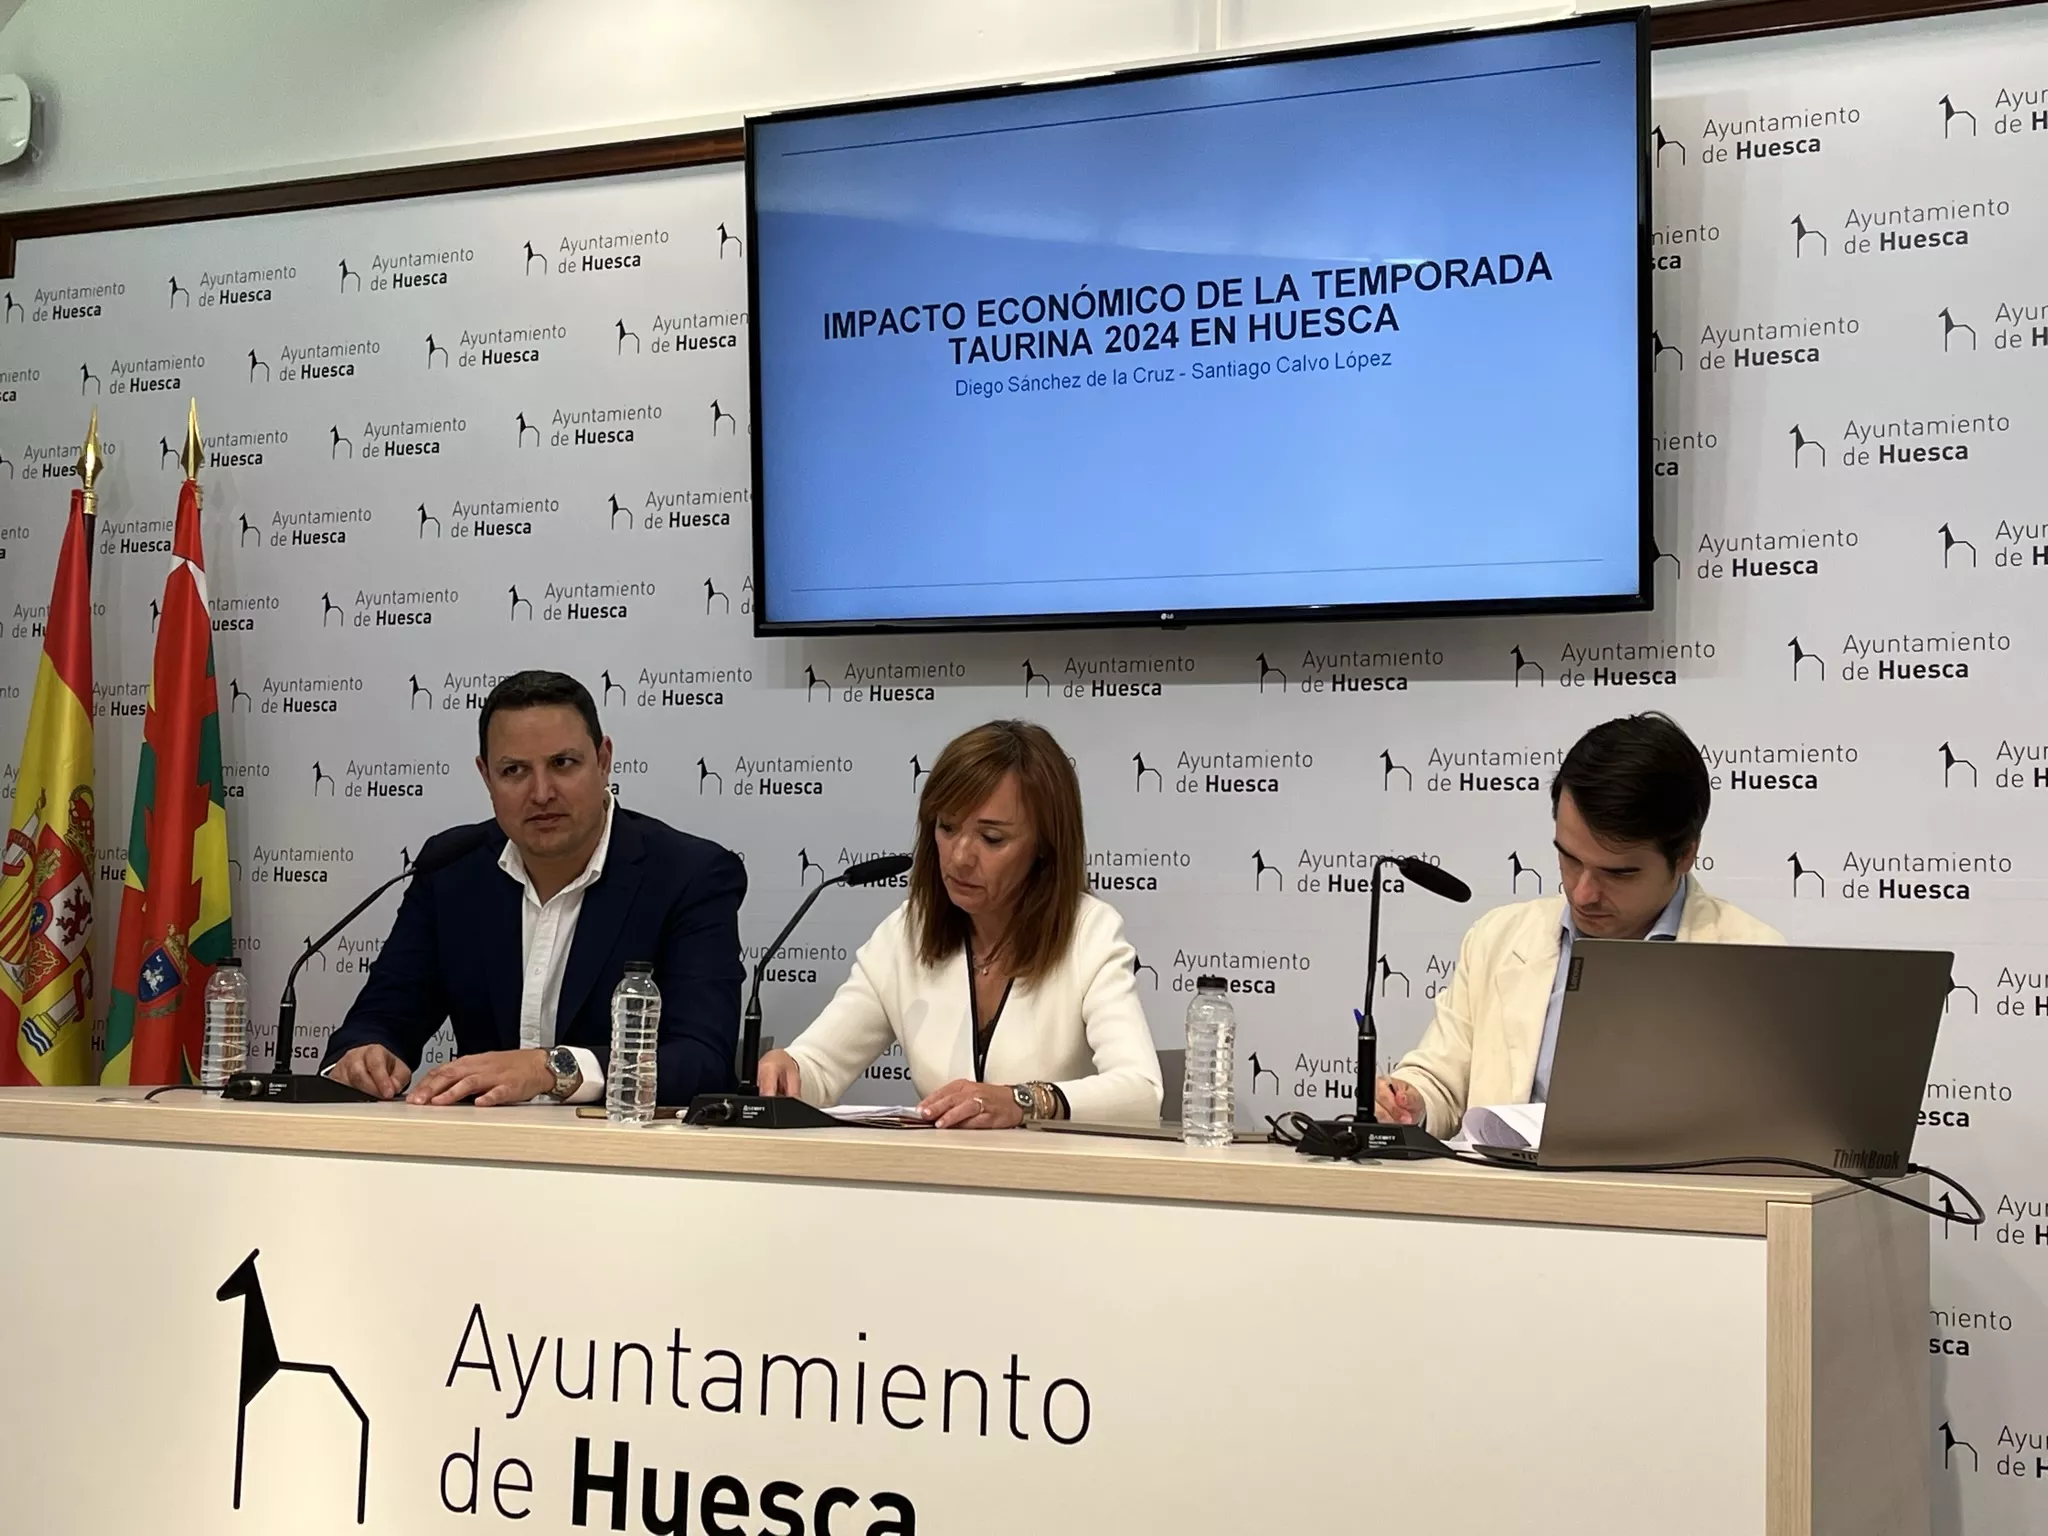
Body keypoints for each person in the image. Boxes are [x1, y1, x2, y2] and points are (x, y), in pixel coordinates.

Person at [320, 669, 746, 1106]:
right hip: (479, 1154)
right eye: (514, 771)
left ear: (603, 761)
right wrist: (364, 1058)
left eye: (563, 764)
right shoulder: (452, 868)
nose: (541, 793)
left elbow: (701, 1061)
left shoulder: (689, 875)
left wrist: (550, 1068)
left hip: (624, 1158)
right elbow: (383, 1017)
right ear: (486, 777)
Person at [1377, 712, 1782, 1137]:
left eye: (1618, 873)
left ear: (1684, 855)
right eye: (1570, 859)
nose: (1584, 893)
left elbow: (1767, 1130)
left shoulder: (1753, 959)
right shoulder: (1497, 939)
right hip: (1506, 1199)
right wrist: (1411, 1100)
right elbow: (1441, 1078)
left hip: (1670, 1201)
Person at [757, 719, 1162, 1128]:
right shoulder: (907, 932)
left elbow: (1141, 1092)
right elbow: (819, 1066)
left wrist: (1023, 1101)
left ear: (1045, 846)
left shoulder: (1089, 933)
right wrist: (789, 1068)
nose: (960, 857)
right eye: (947, 828)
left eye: (992, 839)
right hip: (942, 1183)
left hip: (1052, 1183)